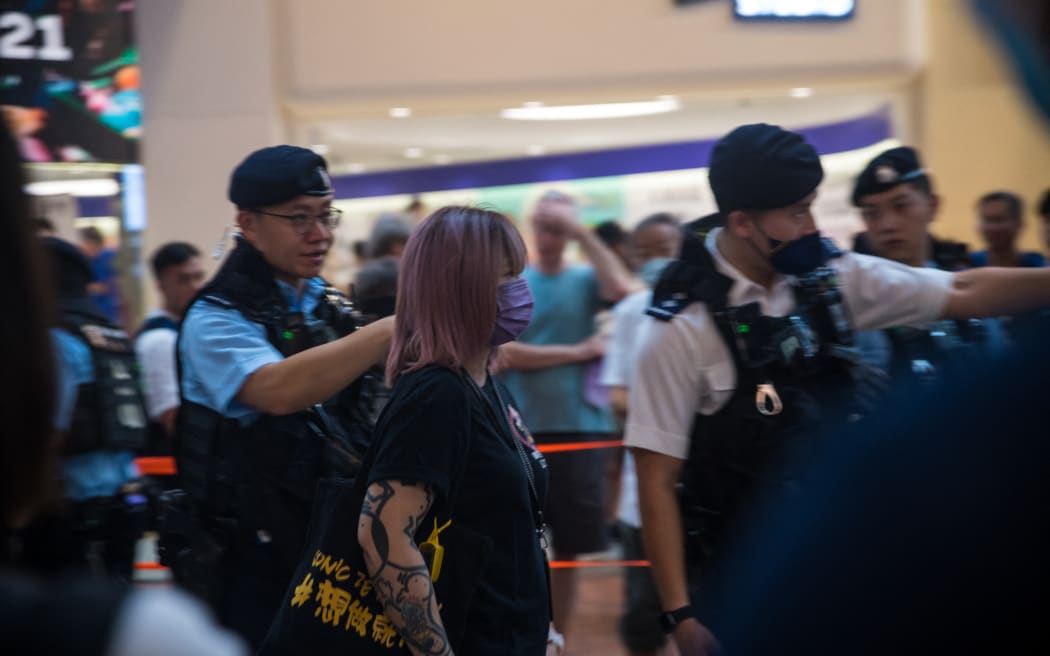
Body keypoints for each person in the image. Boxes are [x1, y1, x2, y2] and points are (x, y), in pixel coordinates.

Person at [626, 122, 1050, 656]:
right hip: (740, 582)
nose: (812, 225)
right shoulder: (678, 326)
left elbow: (963, 290)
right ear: (742, 222)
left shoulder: (828, 280)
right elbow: (656, 479)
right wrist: (682, 615)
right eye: (797, 212)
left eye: (812, 206)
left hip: (839, 560)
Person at [0, 107, 247, 656]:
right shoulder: (104, 334)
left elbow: (50, 433)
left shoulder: (57, 342)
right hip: (119, 506)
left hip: (69, 518)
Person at [172, 145, 394, 648]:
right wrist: (387, 331)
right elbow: (277, 389)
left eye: (325, 216)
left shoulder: (321, 302)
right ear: (248, 224)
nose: (320, 234)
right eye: (299, 218)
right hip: (249, 564)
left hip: (327, 549)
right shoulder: (216, 318)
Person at [358, 206, 558, 655]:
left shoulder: (486, 382)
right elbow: (382, 535)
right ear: (459, 288)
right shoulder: (435, 395)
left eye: (517, 275)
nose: (519, 292)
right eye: (503, 278)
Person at [496, 190, 634, 645]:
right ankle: (536, 633)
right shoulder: (517, 283)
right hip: (521, 427)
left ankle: (563, 637)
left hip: (580, 426)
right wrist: (577, 351)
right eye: (543, 226)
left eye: (558, 228)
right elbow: (507, 352)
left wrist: (580, 232)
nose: (548, 236)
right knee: (520, 542)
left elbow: (621, 291)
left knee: (571, 547)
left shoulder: (584, 277)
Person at [850, 146, 1008, 383]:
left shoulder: (968, 279)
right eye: (872, 214)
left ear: (932, 206)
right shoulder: (857, 301)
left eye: (901, 206)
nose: (887, 224)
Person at [600, 212, 682, 656]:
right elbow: (616, 394)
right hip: (642, 497)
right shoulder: (632, 311)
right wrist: (674, 413)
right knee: (645, 611)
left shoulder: (703, 306)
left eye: (664, 250)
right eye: (644, 252)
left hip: (702, 495)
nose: (654, 261)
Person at [135, 242, 206, 451]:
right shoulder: (160, 341)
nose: (195, 287)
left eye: (199, 276)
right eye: (184, 279)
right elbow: (172, 418)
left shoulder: (181, 331)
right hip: (169, 464)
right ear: (161, 285)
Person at [970, 190, 1047, 267]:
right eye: (986, 220)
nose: (991, 227)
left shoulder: (1039, 265)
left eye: (998, 220)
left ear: (1020, 225)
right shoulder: (968, 263)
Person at [78, 225, 122, 325]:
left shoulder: (105, 257)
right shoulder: (88, 260)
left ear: (92, 243)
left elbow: (105, 286)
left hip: (105, 312)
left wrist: (84, 287)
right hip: (94, 313)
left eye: (85, 243)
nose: (83, 247)